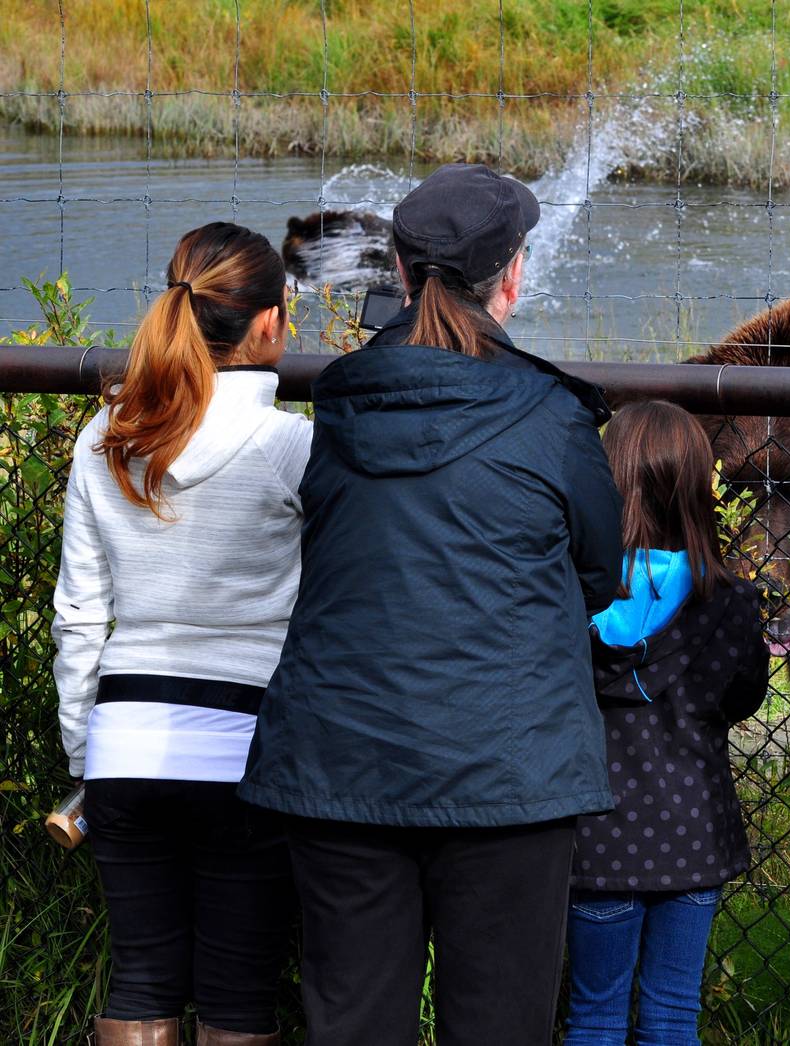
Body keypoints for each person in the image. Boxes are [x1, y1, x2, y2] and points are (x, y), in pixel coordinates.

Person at [237, 163, 624, 1046]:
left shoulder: (340, 407)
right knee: (499, 1025)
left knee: (354, 1022)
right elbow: (598, 572)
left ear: (401, 275)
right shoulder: (551, 419)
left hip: (343, 768)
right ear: (513, 277)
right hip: (508, 774)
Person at [52, 222, 308, 1046]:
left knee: (141, 982)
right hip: (249, 745)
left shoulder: (107, 437)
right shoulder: (293, 446)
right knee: (238, 997)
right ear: (270, 322)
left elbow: (79, 614)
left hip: (123, 743)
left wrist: (83, 754)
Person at [565, 400, 769, 1046]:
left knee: (592, 1012)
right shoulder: (730, 602)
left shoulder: (567, 595)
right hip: (691, 831)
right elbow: (743, 698)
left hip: (593, 831)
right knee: (673, 1013)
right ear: (697, 486)